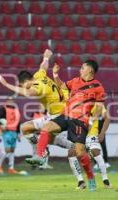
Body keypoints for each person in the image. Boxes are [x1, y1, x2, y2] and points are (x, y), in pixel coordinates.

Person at [26, 60, 106, 191]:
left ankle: (90, 177)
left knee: (80, 153)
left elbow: (99, 107)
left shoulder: (98, 87)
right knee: (46, 128)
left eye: (83, 67)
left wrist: (91, 121)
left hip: (80, 121)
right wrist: (55, 75)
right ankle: (40, 156)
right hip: (65, 115)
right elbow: (62, 87)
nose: (80, 69)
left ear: (90, 70)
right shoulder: (75, 81)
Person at [0, 49, 72, 167]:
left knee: (45, 134)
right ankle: (44, 150)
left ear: (25, 81)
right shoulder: (39, 76)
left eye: (22, 85)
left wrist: (5, 84)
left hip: (60, 115)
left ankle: (47, 151)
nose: (23, 88)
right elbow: (43, 67)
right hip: (56, 114)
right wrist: (46, 57)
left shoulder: (38, 86)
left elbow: (27, 93)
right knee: (26, 129)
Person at [0, 98, 21, 174]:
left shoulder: (16, 110)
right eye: (9, 100)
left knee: (12, 150)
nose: (11, 102)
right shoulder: (3, 109)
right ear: (6, 102)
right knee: (7, 150)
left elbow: (18, 122)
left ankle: (11, 168)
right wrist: (1, 124)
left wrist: (18, 133)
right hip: (7, 132)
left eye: (12, 101)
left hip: (14, 132)